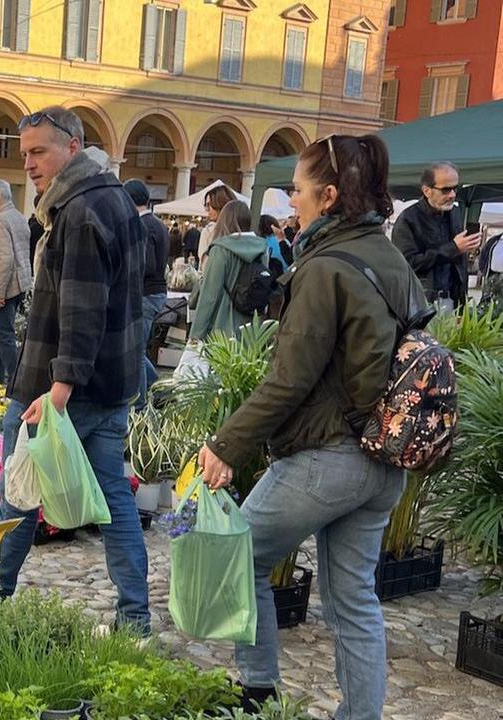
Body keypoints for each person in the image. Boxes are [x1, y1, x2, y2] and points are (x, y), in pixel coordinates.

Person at [197, 134, 416, 719]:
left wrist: (226, 445)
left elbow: (289, 379)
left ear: (329, 195)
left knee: (238, 554)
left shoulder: (323, 268)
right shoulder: (389, 257)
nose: (291, 200)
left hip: (328, 456)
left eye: (297, 189)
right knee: (354, 602)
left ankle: (258, 691)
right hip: (383, 458)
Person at [0, 107, 149, 639]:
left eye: (39, 151)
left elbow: (82, 310)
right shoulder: (113, 197)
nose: (28, 163)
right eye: (24, 153)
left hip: (60, 384)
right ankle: (134, 619)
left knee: (19, 489)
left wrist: (58, 391)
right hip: (110, 383)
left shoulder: (79, 210)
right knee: (114, 497)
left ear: (72, 147)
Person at [392, 161, 479, 309]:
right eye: (446, 190)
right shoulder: (408, 220)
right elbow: (407, 264)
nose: (452, 195)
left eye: (455, 188)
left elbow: (457, 261)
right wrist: (454, 248)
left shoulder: (454, 213)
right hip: (423, 302)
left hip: (454, 299)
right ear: (427, 191)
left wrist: (464, 247)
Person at [188, 200, 265, 343]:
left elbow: (209, 296)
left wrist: (195, 336)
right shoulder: (262, 248)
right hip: (252, 329)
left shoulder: (220, 249)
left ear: (225, 220)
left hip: (222, 330)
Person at [0, 179, 32, 387]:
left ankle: (16, 379)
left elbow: (6, 259)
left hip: (7, 287)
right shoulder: (19, 217)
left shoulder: (0, 220)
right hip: (20, 283)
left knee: (5, 334)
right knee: (0, 332)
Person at [125, 179, 168, 409]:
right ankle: (160, 386)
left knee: (136, 353)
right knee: (138, 351)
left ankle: (140, 404)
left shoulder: (142, 226)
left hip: (146, 293)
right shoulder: (158, 224)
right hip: (157, 292)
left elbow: (147, 264)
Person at [198, 185, 237, 268]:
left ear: (220, 204)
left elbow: (205, 267)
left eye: (209, 205)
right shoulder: (241, 231)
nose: (207, 209)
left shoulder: (209, 231)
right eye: (206, 205)